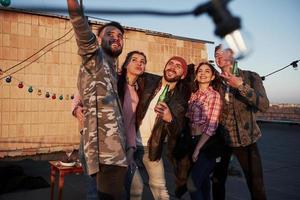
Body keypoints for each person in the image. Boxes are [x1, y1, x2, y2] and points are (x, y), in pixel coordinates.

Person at [67, 0, 127, 199]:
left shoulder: (111, 67)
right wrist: (74, 5)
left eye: (120, 36)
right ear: (99, 39)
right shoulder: (96, 57)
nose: (116, 38)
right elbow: (83, 33)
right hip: (106, 152)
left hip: (114, 150)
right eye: (110, 34)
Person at [212, 45, 269, 200]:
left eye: (224, 53)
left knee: (256, 185)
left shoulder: (251, 77)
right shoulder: (214, 81)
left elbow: (263, 105)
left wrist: (241, 86)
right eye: (216, 54)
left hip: (246, 140)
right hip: (221, 140)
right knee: (217, 183)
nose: (219, 57)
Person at [131, 56, 188, 200]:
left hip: (151, 148)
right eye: (170, 63)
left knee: (160, 189)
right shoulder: (148, 80)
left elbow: (178, 130)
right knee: (134, 188)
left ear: (183, 74)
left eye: (178, 66)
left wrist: (170, 118)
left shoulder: (179, 100)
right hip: (129, 143)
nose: (173, 67)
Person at [185, 62, 222, 200]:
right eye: (200, 71)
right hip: (193, 140)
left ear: (212, 77)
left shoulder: (213, 95)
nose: (203, 73)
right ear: (196, 75)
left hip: (206, 144)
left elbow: (211, 125)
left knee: (192, 184)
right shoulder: (194, 95)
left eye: (207, 71)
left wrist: (197, 149)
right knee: (204, 183)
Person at [72, 94, 98, 200]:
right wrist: (76, 109)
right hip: (87, 131)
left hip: (107, 133)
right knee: (85, 159)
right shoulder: (86, 78)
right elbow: (77, 98)